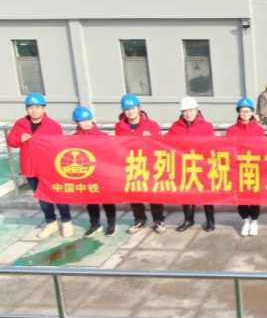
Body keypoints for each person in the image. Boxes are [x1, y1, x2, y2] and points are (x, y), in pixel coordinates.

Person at [7, 93, 73, 239]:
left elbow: (60, 148)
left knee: (58, 194)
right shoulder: (20, 124)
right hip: (30, 168)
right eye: (31, 107)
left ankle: (66, 221)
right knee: (42, 197)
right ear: (27, 109)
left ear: (44, 108)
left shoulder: (53, 126)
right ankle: (51, 222)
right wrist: (20, 139)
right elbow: (11, 140)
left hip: (49, 169)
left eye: (37, 107)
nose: (34, 110)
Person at [115, 94, 166, 234]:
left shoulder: (152, 125)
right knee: (134, 194)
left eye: (133, 108)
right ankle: (139, 219)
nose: (130, 112)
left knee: (153, 193)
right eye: (127, 109)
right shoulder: (120, 127)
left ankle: (158, 220)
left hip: (149, 165)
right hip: (131, 165)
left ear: (139, 108)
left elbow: (160, 145)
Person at [167, 97, 216, 232]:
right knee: (186, 194)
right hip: (184, 166)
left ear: (197, 110)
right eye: (185, 111)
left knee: (206, 193)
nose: (188, 114)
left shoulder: (207, 126)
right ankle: (188, 219)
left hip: (203, 166)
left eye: (191, 110)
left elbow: (214, 146)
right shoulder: (176, 127)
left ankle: (210, 220)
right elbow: (165, 142)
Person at [72, 106, 118, 238]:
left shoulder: (103, 136)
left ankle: (111, 224)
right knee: (91, 201)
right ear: (77, 122)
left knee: (107, 201)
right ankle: (95, 224)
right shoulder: (73, 139)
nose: (86, 123)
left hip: (103, 175)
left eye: (88, 119)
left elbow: (112, 155)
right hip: (86, 176)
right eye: (82, 121)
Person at [226, 97, 266, 236]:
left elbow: (263, 149)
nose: (245, 114)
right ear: (238, 112)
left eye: (248, 111)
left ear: (252, 112)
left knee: (254, 197)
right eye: (242, 111)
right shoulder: (231, 130)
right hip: (237, 170)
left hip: (254, 169)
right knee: (241, 198)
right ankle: (245, 222)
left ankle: (254, 222)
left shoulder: (259, 130)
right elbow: (227, 149)